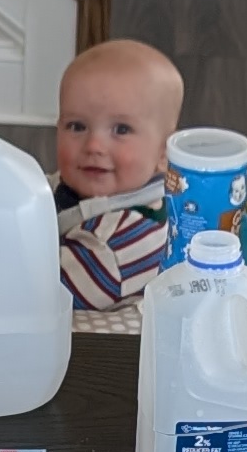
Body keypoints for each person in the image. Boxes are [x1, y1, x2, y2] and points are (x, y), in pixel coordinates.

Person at [53, 36, 183, 310]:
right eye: (77, 126)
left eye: (121, 130)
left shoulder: (110, 249)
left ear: (164, 153)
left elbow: (32, 300)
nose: (93, 146)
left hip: (101, 347)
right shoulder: (99, 184)